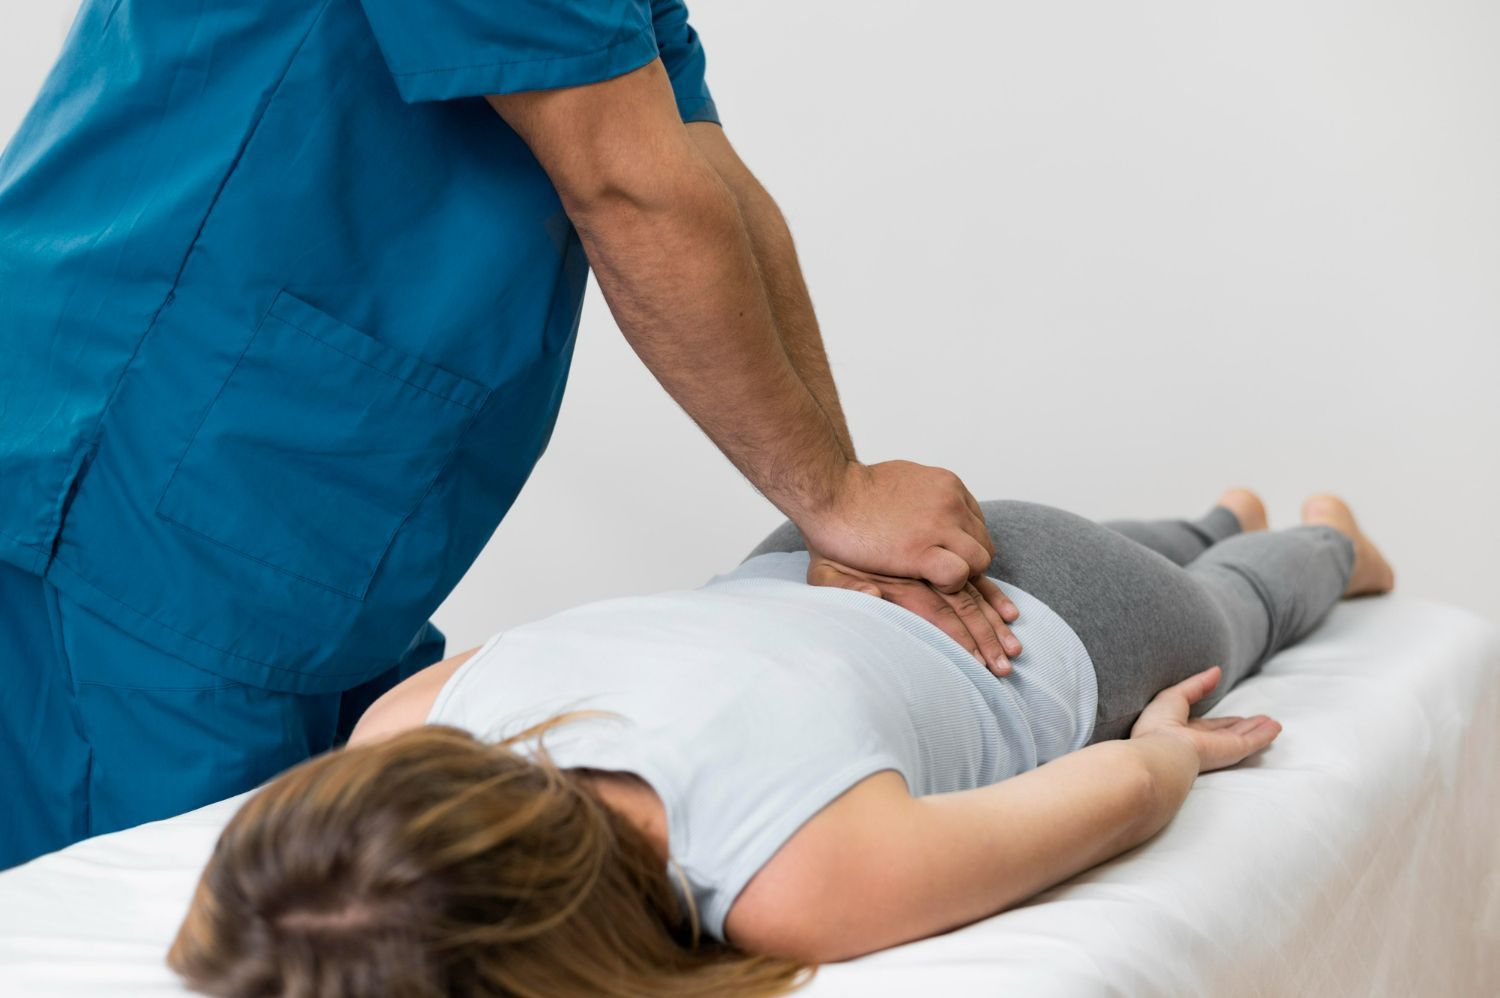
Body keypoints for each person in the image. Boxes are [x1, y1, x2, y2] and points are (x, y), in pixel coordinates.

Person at [0, 2, 1018, 867]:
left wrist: (840, 503)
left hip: (306, 504)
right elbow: (626, 183)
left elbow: (696, 164)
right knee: (160, 927)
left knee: (340, 912)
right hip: (139, 474)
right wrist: (833, 493)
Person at [167, 489, 1395, 997]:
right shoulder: (401, 726)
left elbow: (1128, 785)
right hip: (818, 551)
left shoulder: (794, 881)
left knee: (1234, 607)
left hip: (1050, 624)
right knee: (1155, 547)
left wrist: (1173, 743)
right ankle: (1209, 513)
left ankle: (1327, 542)